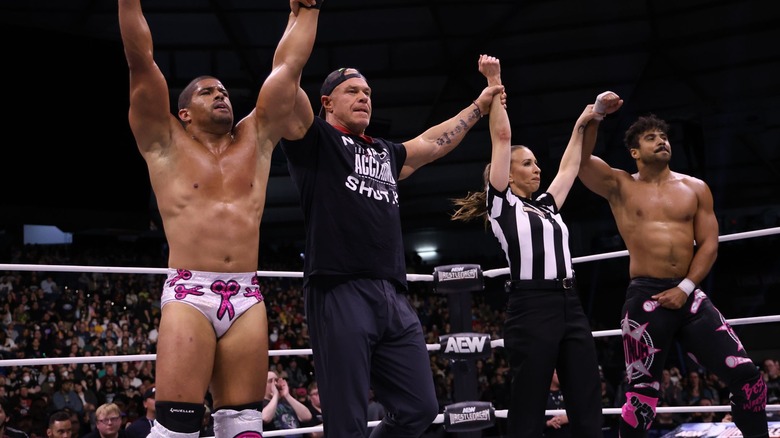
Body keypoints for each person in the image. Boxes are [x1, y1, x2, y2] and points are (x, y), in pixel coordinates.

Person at [279, 24, 504, 436]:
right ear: (326, 102)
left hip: (392, 293)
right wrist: (303, 17)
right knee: (346, 420)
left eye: (367, 93)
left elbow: (434, 143)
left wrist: (479, 105)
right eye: (353, 91)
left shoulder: (384, 151)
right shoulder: (315, 142)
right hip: (339, 287)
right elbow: (285, 79)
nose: (364, 97)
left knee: (420, 407)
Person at [117, 0, 321, 437]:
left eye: (224, 90)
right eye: (208, 91)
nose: (221, 94)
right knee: (176, 427)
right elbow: (140, 60)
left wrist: (308, 10)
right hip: (190, 291)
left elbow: (287, 67)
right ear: (184, 112)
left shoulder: (257, 136)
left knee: (245, 426)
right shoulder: (164, 141)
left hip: (247, 293)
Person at [578, 109, 770, 437]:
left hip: (689, 296)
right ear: (634, 152)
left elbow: (709, 243)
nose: (662, 141)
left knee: (750, 380)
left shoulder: (695, 188)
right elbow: (580, 161)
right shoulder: (620, 185)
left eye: (664, 136)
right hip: (645, 296)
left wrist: (685, 286)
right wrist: (595, 115)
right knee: (641, 399)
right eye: (651, 137)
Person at [450, 55, 604, 437]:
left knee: (586, 395)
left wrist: (583, 121)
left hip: (570, 304)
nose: (537, 169)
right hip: (532, 305)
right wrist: (496, 80)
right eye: (528, 164)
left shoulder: (547, 206)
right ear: (507, 172)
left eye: (536, 163)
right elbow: (502, 138)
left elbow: (569, 168)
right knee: (529, 402)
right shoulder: (502, 205)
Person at [261, 371, 312, 438]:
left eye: (276, 380)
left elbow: (307, 417)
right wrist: (275, 395)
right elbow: (265, 418)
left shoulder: (287, 401)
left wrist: (287, 395)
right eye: (271, 381)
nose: (275, 384)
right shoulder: (260, 404)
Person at [544, 370, 571, 438]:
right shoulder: (541, 395)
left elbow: (581, 413)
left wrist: (567, 418)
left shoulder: (569, 393)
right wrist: (547, 423)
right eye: (557, 373)